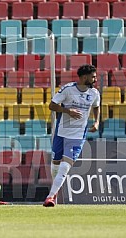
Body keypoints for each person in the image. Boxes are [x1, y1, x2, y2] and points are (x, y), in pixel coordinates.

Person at [43, 64, 100, 207]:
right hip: (61, 132)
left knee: (65, 166)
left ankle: (50, 197)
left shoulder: (94, 93)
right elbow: (52, 105)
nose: (95, 79)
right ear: (84, 77)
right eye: (93, 77)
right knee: (56, 163)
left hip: (78, 135)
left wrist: (97, 121)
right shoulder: (68, 89)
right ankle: (54, 192)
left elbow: (97, 106)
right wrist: (67, 111)